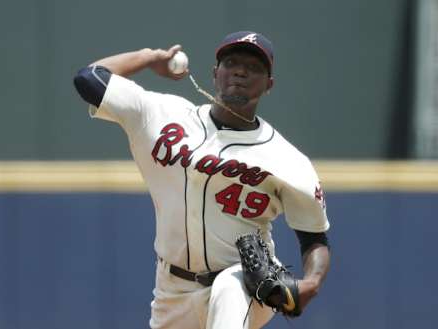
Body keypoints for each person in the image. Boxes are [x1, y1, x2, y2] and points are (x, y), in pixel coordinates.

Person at [73, 31, 331, 329]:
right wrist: (148, 57)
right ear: (215, 73)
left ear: (268, 85)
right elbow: (89, 79)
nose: (241, 71)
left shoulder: (288, 160)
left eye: (254, 67)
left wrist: (311, 283)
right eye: (231, 62)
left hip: (248, 283)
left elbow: (314, 237)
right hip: (172, 290)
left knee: (229, 286)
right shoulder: (161, 114)